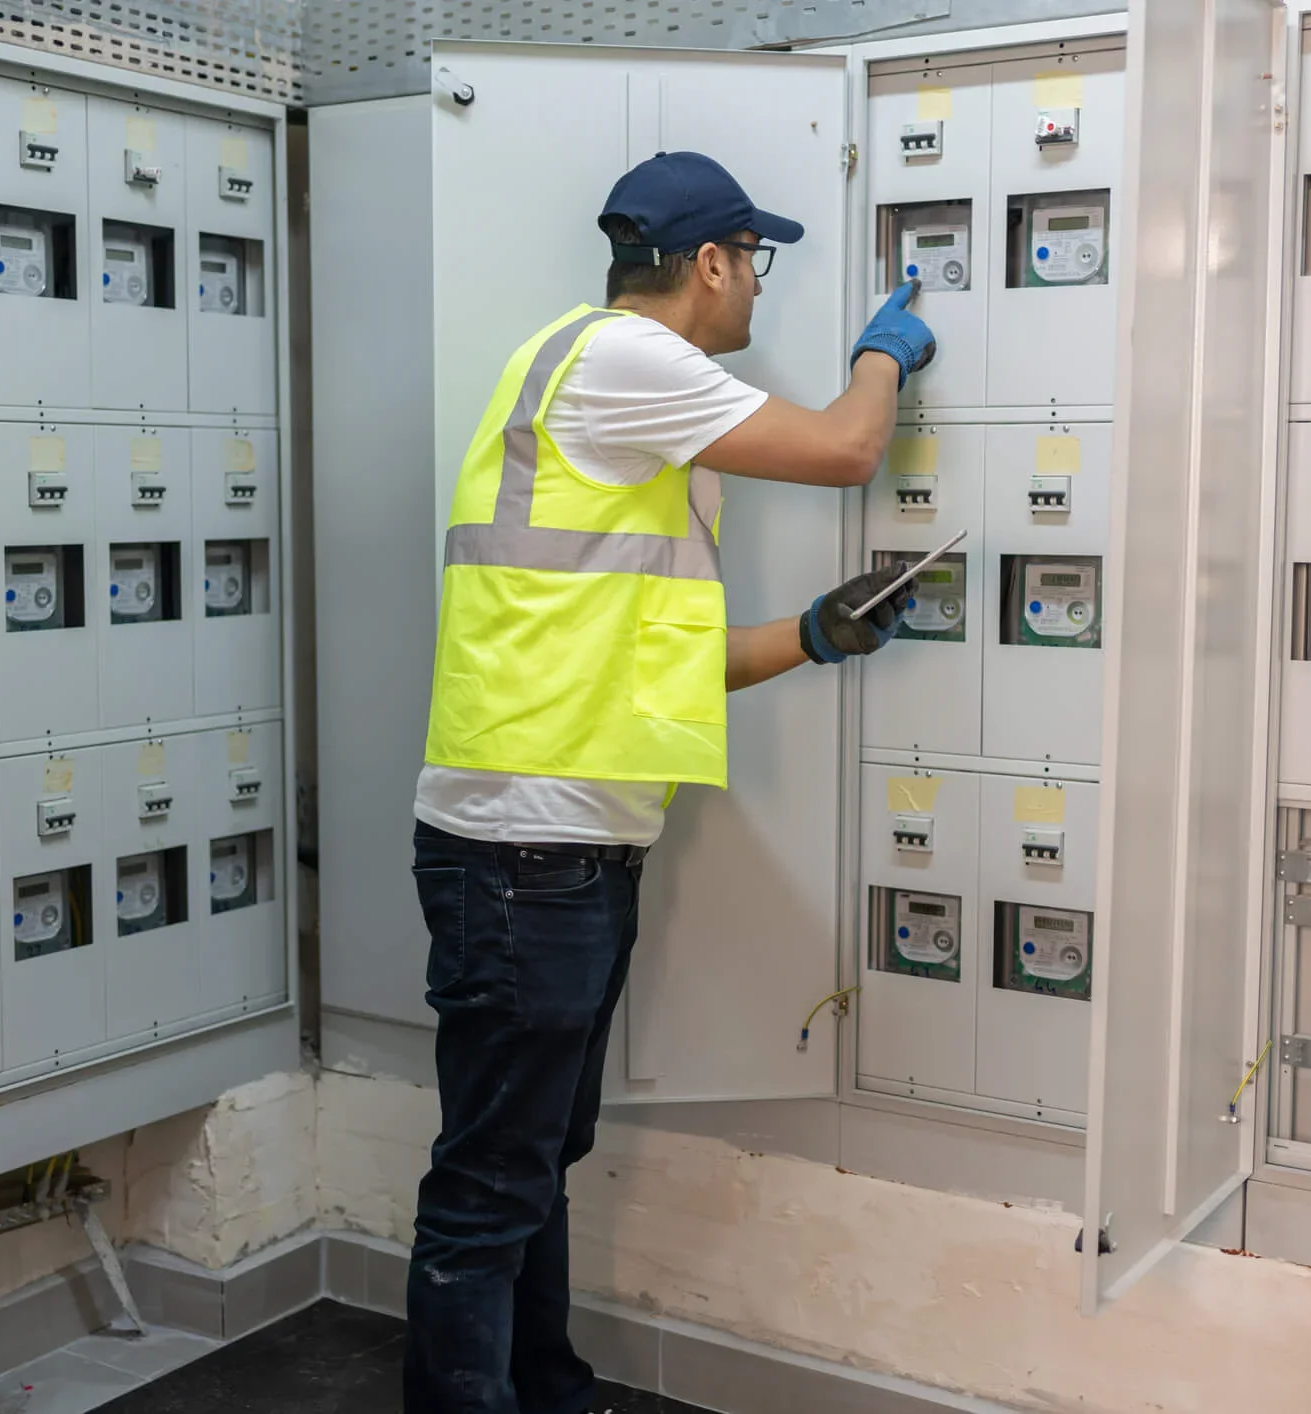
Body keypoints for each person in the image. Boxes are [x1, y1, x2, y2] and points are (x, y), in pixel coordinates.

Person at [404, 149, 937, 1413]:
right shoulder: (628, 361)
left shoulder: (627, 401)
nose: (757, 285)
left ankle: (544, 1384)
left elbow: (658, 656)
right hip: (522, 850)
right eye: (756, 259)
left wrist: (809, 635)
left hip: (564, 843)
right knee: (489, 1180)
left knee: (536, 1155)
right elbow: (850, 451)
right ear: (710, 262)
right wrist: (887, 356)